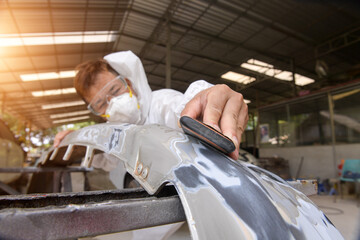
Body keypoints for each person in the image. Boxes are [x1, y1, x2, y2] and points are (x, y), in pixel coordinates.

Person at [54, 50, 248, 160]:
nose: (112, 103)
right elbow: (104, 159)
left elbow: (181, 109)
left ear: (128, 83)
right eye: (99, 104)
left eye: (114, 91)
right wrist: (76, 140)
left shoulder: (160, 103)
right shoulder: (112, 133)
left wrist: (209, 100)